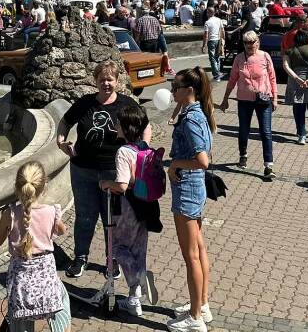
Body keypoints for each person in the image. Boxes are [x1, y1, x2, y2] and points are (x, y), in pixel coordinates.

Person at [56, 59, 146, 279]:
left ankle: (111, 259)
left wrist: (141, 153)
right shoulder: (85, 103)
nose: (106, 83)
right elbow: (65, 121)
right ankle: (80, 258)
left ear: (117, 81)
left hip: (113, 172)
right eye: (102, 79)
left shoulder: (126, 104)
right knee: (85, 216)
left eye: (110, 79)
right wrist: (61, 140)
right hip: (83, 169)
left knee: (111, 218)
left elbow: (145, 126)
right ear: (95, 81)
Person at [0, 161, 72, 332]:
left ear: (17, 187)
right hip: (46, 284)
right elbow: (62, 230)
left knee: (20, 320)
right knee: (62, 301)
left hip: (21, 288)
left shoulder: (10, 214)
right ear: (44, 186)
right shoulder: (51, 211)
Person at [167, 67, 216, 332]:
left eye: (176, 87)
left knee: (191, 256)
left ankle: (195, 318)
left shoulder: (192, 119)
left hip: (187, 187)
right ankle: (202, 304)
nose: (172, 91)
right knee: (199, 249)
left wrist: (175, 163)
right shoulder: (194, 113)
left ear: (189, 91)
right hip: (192, 188)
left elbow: (202, 161)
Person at [99, 104, 160, 318]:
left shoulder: (123, 152)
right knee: (138, 250)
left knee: (117, 247)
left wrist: (106, 183)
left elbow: (122, 185)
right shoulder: (144, 147)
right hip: (146, 206)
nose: (115, 126)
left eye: (118, 123)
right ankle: (134, 300)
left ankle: (139, 278)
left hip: (127, 207)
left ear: (124, 128)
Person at [218, 30, 278, 179]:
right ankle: (243, 155)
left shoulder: (265, 56)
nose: (250, 45)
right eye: (246, 42)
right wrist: (225, 99)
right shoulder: (239, 58)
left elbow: (272, 78)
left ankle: (268, 166)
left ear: (258, 42)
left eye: (252, 42)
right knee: (244, 130)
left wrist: (275, 98)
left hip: (263, 100)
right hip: (244, 100)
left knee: (266, 132)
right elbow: (232, 79)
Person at [202, 8, 225, 80]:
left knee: (212, 58)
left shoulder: (207, 22)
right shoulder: (219, 20)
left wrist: (204, 45)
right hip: (218, 39)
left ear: (208, 13)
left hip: (211, 41)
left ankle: (216, 74)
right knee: (217, 57)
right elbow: (222, 30)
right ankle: (218, 72)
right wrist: (223, 39)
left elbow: (206, 35)